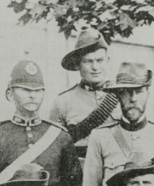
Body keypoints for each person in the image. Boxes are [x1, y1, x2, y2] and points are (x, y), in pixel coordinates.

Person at [49, 27, 120, 162]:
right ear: (78, 65)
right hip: (81, 175)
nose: (95, 67)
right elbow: (55, 150)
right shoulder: (62, 102)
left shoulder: (122, 95)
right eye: (88, 61)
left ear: (107, 61)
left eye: (100, 60)